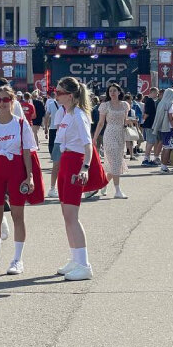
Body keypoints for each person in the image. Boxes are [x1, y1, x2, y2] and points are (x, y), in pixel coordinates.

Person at [0, 86, 40, 275]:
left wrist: (29, 177)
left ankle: (17, 259)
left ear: (13, 101)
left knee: (17, 216)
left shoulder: (21, 124)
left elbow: (28, 151)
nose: (2, 103)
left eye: (6, 100)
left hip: (16, 170)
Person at [53, 76, 107, 281]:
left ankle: (84, 264)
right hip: (67, 161)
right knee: (67, 216)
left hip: (76, 162)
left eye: (59, 92)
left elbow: (88, 145)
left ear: (70, 95)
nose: (56, 95)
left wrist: (84, 168)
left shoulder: (78, 115)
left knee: (72, 216)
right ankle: (75, 258)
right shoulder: (66, 113)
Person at [90, 83, 130, 199]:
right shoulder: (105, 105)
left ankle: (103, 184)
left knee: (115, 163)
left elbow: (125, 120)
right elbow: (101, 123)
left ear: (119, 92)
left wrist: (132, 122)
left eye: (114, 91)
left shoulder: (125, 105)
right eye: (110, 91)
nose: (112, 93)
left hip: (121, 134)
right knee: (115, 162)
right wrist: (95, 137)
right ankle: (117, 190)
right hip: (110, 133)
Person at [152, 88, 173, 174]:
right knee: (168, 148)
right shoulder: (170, 104)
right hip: (169, 128)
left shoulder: (161, 103)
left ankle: (163, 166)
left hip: (162, 128)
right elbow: (171, 118)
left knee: (165, 147)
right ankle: (164, 167)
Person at [43, 90, 63, 198]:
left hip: (57, 131)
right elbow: (47, 116)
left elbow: (47, 116)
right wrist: (46, 127)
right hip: (55, 130)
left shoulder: (68, 105)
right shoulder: (52, 104)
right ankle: (52, 188)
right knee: (56, 162)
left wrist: (46, 126)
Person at [140, 87, 159, 166]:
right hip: (150, 124)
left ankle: (147, 158)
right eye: (156, 93)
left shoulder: (147, 100)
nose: (157, 95)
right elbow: (147, 113)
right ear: (153, 92)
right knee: (151, 142)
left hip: (148, 124)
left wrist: (143, 120)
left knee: (149, 142)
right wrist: (144, 119)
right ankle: (146, 158)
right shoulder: (150, 101)